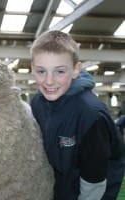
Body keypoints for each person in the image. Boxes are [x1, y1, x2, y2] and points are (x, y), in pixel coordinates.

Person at [30, 30, 125, 200]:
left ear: (76, 70)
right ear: (32, 69)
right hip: (60, 183)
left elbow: (94, 181)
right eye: (41, 71)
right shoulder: (37, 102)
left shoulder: (91, 115)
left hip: (92, 190)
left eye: (60, 71)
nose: (49, 81)